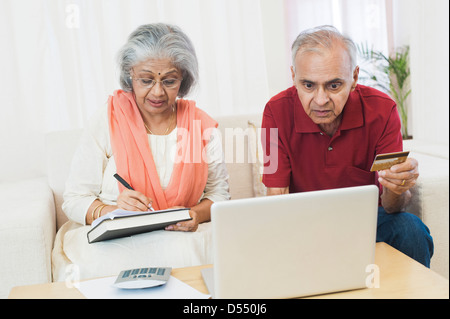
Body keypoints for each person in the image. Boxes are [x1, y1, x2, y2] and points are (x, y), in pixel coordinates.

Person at [261, 25, 433, 267]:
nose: (320, 100)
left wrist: (397, 186)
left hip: (366, 223)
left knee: (410, 228)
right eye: (308, 85)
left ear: (353, 78)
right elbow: (276, 200)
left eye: (334, 85)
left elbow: (393, 206)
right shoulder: (275, 112)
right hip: (304, 227)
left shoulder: (382, 110)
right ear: (293, 77)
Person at [63, 23, 230, 232]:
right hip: (120, 240)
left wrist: (194, 214)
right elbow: (73, 200)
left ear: (183, 79)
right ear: (129, 75)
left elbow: (219, 195)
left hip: (182, 238)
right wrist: (114, 211)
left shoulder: (201, 126)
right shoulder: (107, 119)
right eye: (146, 80)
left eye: (169, 81)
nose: (158, 92)